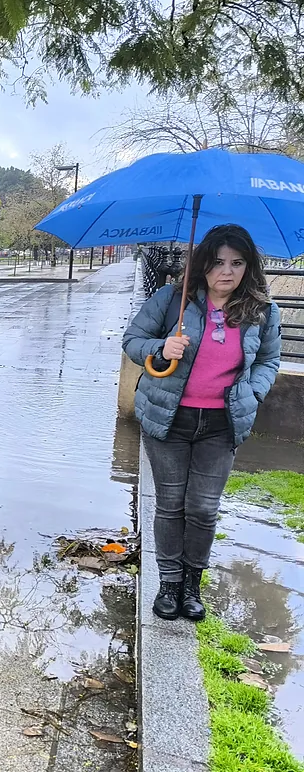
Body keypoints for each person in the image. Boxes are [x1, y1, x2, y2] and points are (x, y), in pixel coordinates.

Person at [123, 224, 281, 622]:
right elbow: (132, 340)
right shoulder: (174, 298)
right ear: (204, 265)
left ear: (249, 267)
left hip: (221, 424)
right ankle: (169, 584)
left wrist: (254, 393)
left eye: (237, 263)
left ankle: (192, 586)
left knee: (204, 509)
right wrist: (162, 347)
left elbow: (268, 361)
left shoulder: (262, 310)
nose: (226, 272)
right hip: (169, 420)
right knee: (171, 505)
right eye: (217, 262)